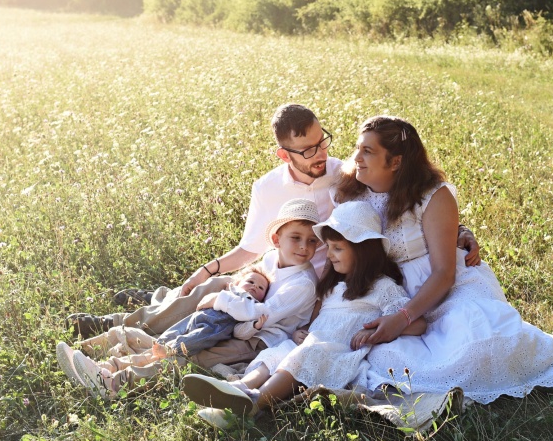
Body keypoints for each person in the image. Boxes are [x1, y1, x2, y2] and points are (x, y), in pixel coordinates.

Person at [66, 105, 480, 343]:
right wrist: (208, 269)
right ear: (285, 155)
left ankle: (148, 312)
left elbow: (402, 207)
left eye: (322, 142)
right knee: (213, 287)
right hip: (276, 272)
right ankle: (125, 322)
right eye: (307, 150)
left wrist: (459, 232)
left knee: (219, 301)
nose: (320, 155)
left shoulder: (345, 174)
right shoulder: (268, 187)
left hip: (314, 282)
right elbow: (250, 248)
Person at [333, 115, 553, 403]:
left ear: (396, 161)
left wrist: (402, 319)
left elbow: (444, 273)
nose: (356, 157)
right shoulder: (350, 192)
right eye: (358, 148)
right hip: (392, 291)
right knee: (385, 357)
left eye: (368, 151)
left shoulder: (431, 195)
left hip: (443, 285)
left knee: (478, 340)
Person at [180, 201, 426, 419]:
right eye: (328, 247)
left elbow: (417, 323)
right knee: (279, 351)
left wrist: (375, 333)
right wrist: (303, 331)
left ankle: (254, 404)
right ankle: (241, 388)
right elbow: (316, 321)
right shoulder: (332, 287)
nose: (329, 255)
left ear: (362, 251)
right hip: (312, 342)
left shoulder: (383, 287)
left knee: (306, 355)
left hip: (337, 352)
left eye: (337, 248)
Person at [57, 199, 320, 398]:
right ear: (276, 239)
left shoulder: (303, 283)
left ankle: (113, 383)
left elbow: (260, 314)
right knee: (173, 340)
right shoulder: (272, 259)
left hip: (258, 338)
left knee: (188, 355)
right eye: (296, 238)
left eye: (311, 241)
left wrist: (218, 300)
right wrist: (223, 291)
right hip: (234, 321)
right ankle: (106, 365)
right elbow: (247, 288)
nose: (303, 247)